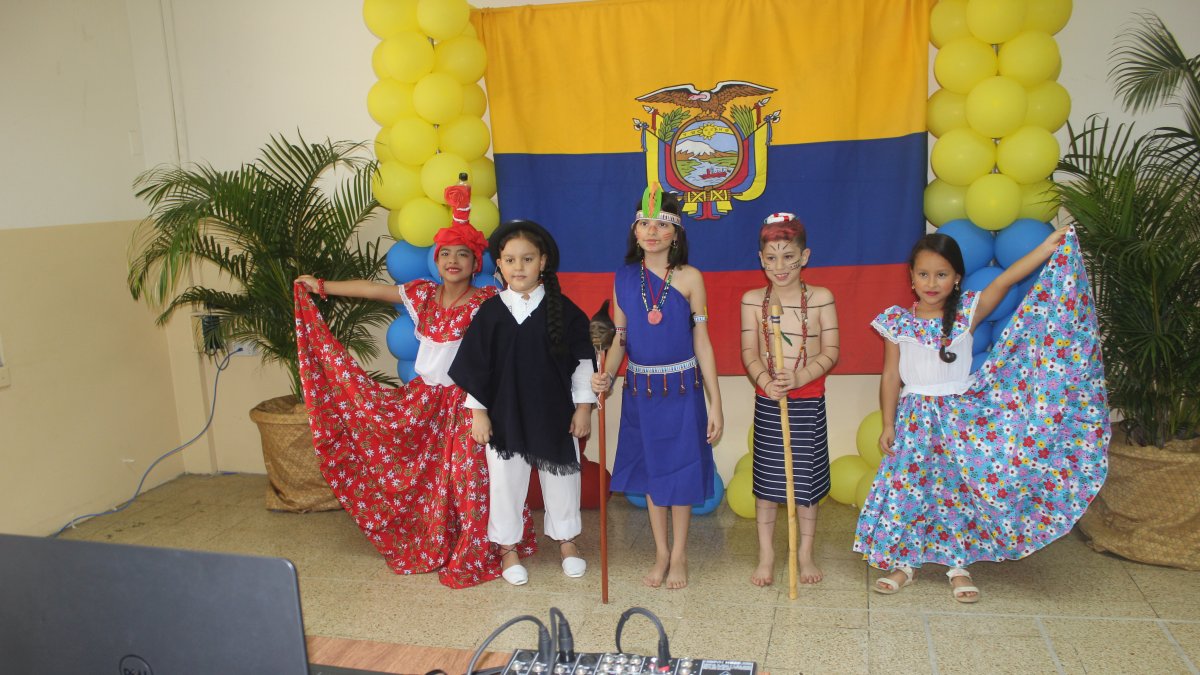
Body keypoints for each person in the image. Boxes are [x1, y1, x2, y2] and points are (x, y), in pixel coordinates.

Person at [292, 181, 535, 589]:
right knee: (420, 475)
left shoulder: (486, 303)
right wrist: (322, 286)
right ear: (435, 261)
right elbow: (373, 289)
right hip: (423, 401)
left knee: (468, 477)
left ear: (477, 263)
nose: (453, 261)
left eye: (463, 254)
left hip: (467, 404)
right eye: (445, 254)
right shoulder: (421, 294)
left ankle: (484, 547)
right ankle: (436, 539)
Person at [854, 226, 1109, 603]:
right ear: (911, 277)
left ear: (957, 278)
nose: (932, 282)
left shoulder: (966, 314)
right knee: (909, 491)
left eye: (942, 274)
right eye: (923, 274)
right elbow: (891, 375)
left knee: (956, 492)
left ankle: (957, 565)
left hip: (960, 419)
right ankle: (904, 562)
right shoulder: (897, 321)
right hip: (914, 419)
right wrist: (889, 423)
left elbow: (1008, 277)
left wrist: (1047, 247)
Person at [448, 219, 597, 586]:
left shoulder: (565, 311)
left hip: (553, 413)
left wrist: (582, 408)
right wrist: (479, 414)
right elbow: (476, 368)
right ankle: (507, 547)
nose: (519, 267)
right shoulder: (491, 313)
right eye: (510, 260)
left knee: (562, 479)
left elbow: (581, 364)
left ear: (543, 262)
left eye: (527, 259)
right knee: (505, 482)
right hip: (504, 415)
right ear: (498, 264)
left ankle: (567, 541)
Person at [591, 184, 724, 590]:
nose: (652, 231)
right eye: (644, 224)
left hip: (683, 390)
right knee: (652, 474)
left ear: (676, 233)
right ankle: (661, 553)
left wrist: (715, 402)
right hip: (642, 392)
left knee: (680, 474)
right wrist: (608, 377)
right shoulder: (623, 279)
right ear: (634, 232)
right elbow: (621, 339)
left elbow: (702, 339)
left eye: (661, 225)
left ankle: (680, 554)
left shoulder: (690, 278)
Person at [740, 213, 839, 587]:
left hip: (809, 399)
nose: (779, 266)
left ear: (805, 255)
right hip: (769, 400)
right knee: (767, 482)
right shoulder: (752, 301)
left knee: (806, 485)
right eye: (771, 257)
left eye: (788, 256)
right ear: (761, 259)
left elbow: (831, 351)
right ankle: (766, 555)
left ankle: (805, 553)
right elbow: (749, 352)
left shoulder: (822, 298)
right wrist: (766, 380)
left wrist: (799, 376)